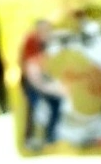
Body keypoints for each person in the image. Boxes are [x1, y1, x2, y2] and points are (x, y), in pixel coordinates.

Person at [20, 20, 67, 148]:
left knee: (56, 104)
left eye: (48, 30)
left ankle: (51, 135)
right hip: (31, 80)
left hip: (43, 79)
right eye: (45, 30)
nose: (47, 33)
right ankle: (31, 138)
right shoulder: (32, 41)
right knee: (35, 108)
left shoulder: (49, 41)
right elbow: (33, 73)